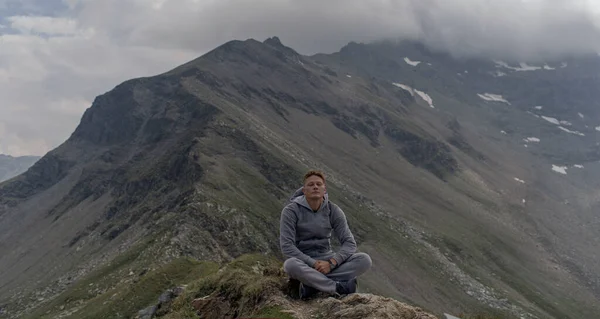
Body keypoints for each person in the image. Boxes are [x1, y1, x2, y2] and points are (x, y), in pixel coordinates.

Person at [280, 169, 372, 299]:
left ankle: (311, 285)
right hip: (305, 262)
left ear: (324, 189)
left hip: (328, 260)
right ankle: (336, 287)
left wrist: (332, 263)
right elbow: (287, 247)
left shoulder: (333, 210)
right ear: (304, 190)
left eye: (319, 184)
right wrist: (313, 263)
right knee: (290, 265)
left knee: (364, 260)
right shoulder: (291, 211)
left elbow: (349, 243)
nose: (315, 187)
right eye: (311, 185)